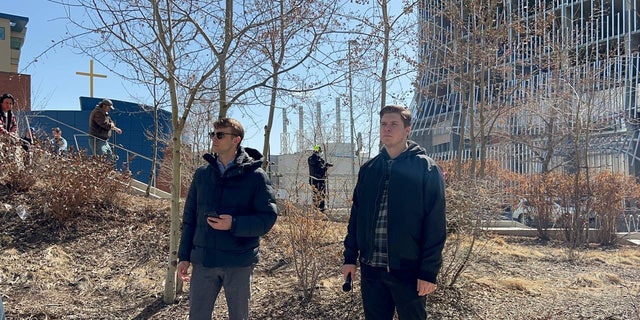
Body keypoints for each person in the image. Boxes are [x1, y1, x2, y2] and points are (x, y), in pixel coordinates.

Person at [342, 105, 447, 320]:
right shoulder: (369, 169)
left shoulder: (426, 168)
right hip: (371, 269)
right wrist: (350, 257)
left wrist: (428, 272)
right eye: (383, 124)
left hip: (408, 270)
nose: (387, 129)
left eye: (393, 124)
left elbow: (435, 223)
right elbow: (356, 217)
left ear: (407, 130)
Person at [177, 117, 278, 320]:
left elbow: (267, 217)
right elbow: (189, 218)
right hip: (204, 261)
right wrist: (184, 256)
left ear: (236, 140)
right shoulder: (202, 175)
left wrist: (234, 224)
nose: (214, 138)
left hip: (238, 261)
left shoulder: (256, 176)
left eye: (220, 134)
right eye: (213, 134)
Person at [307, 145, 333, 211]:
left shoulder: (319, 160)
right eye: (320, 151)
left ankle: (321, 209)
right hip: (316, 180)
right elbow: (319, 170)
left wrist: (326, 165)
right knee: (318, 195)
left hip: (321, 180)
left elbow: (321, 167)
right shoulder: (313, 160)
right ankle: (318, 210)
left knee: (322, 195)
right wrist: (325, 167)